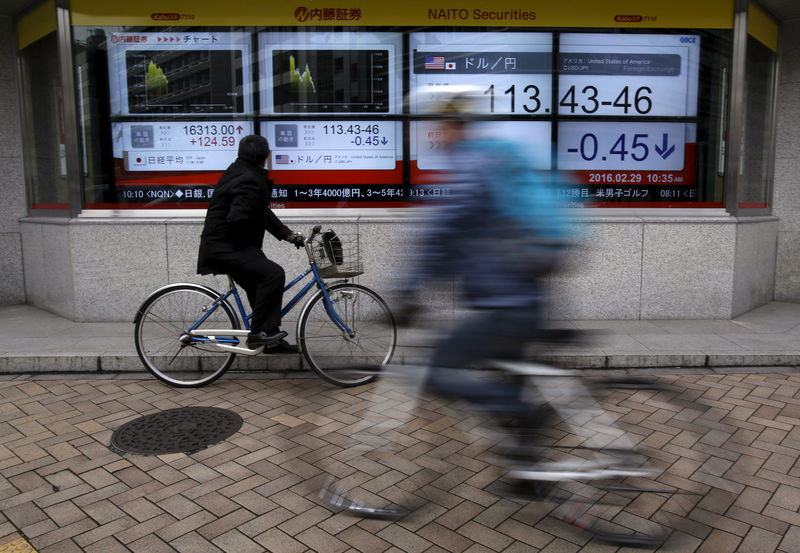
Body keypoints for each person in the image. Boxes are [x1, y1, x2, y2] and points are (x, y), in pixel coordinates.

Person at [197, 134, 305, 352]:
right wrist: (249, 249)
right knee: (273, 274)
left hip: (226, 245)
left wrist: (287, 234)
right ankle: (259, 334)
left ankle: (271, 340)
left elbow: (259, 211)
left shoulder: (240, 170)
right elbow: (239, 216)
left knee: (261, 287)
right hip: (227, 247)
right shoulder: (249, 178)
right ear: (265, 157)